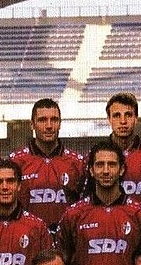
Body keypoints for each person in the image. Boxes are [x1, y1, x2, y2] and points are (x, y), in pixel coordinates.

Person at [57, 141, 141, 265]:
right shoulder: (73, 214)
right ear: (91, 170)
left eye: (111, 164)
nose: (105, 171)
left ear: (122, 169)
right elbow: (62, 259)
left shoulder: (139, 215)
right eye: (99, 165)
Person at [10, 98, 85, 232]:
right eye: (42, 120)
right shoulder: (16, 162)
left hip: (66, 238)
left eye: (54, 120)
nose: (49, 126)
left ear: (60, 123)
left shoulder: (77, 163)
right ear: (32, 124)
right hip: (27, 237)